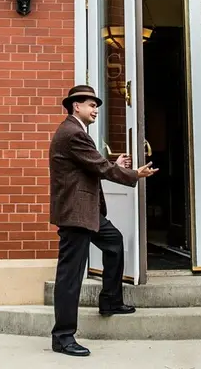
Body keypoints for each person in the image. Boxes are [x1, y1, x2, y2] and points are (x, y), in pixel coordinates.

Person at [50, 85, 158, 357]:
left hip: (85, 211)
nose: (96, 109)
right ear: (76, 106)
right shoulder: (73, 133)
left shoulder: (76, 133)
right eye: (91, 105)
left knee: (113, 243)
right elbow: (98, 167)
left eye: (96, 105)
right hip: (76, 214)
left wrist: (114, 166)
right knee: (70, 277)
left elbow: (92, 165)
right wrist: (133, 173)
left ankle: (110, 300)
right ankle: (62, 336)